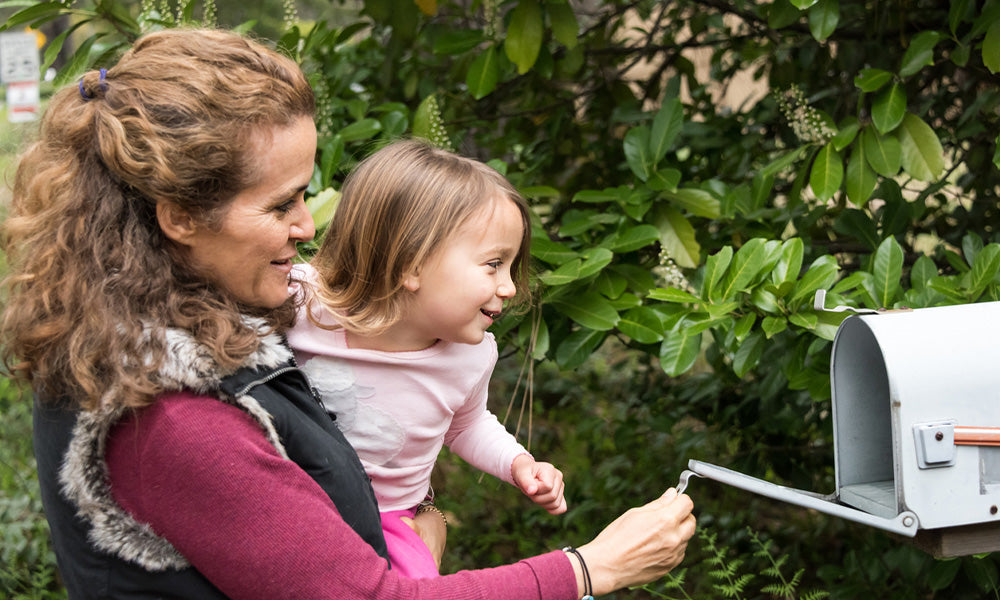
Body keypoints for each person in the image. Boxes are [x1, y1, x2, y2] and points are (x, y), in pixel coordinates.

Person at [0, 27, 695, 599]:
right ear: (180, 215)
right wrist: (589, 567)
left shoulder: (191, 319)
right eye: (280, 205)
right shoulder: (171, 418)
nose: (308, 226)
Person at [287, 139, 566, 579]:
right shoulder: (302, 304)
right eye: (494, 264)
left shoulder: (470, 357)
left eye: (511, 268)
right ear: (411, 263)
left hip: (391, 520)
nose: (510, 286)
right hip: (292, 502)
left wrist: (520, 464)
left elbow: (467, 423)